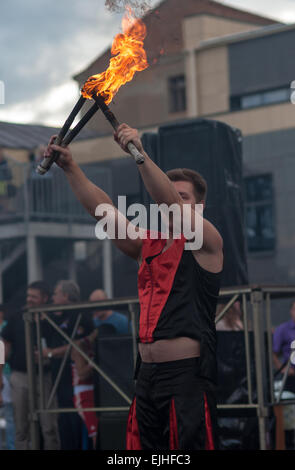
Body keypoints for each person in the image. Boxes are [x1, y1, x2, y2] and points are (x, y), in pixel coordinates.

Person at [44, 123, 223, 450]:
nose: (172, 201)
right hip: (146, 377)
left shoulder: (207, 241)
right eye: (170, 194)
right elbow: (104, 211)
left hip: (185, 378)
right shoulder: (148, 244)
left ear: (199, 207)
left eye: (183, 197)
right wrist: (70, 167)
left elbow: (169, 202)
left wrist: (139, 155)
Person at [0, 282, 59, 450]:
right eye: (28, 296)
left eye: (34, 296)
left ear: (44, 298)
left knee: (49, 426)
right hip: (20, 376)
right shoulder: (17, 317)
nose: (29, 299)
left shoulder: (51, 318)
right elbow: (3, 345)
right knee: (21, 426)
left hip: (44, 376)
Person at [43, 280, 95, 450]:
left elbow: (81, 342)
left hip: (78, 377)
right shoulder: (53, 316)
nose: (52, 297)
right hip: (58, 374)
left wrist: (53, 352)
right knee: (63, 417)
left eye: (56, 294)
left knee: (78, 419)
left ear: (65, 295)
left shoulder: (82, 314)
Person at [273, 300, 295, 449]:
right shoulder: (283, 329)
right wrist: (282, 368)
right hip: (291, 376)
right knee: (290, 412)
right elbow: (274, 353)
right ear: (291, 311)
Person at [0, 305, 15, 449]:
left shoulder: (5, 328)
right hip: (5, 374)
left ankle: (12, 446)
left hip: (6, 374)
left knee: (10, 415)